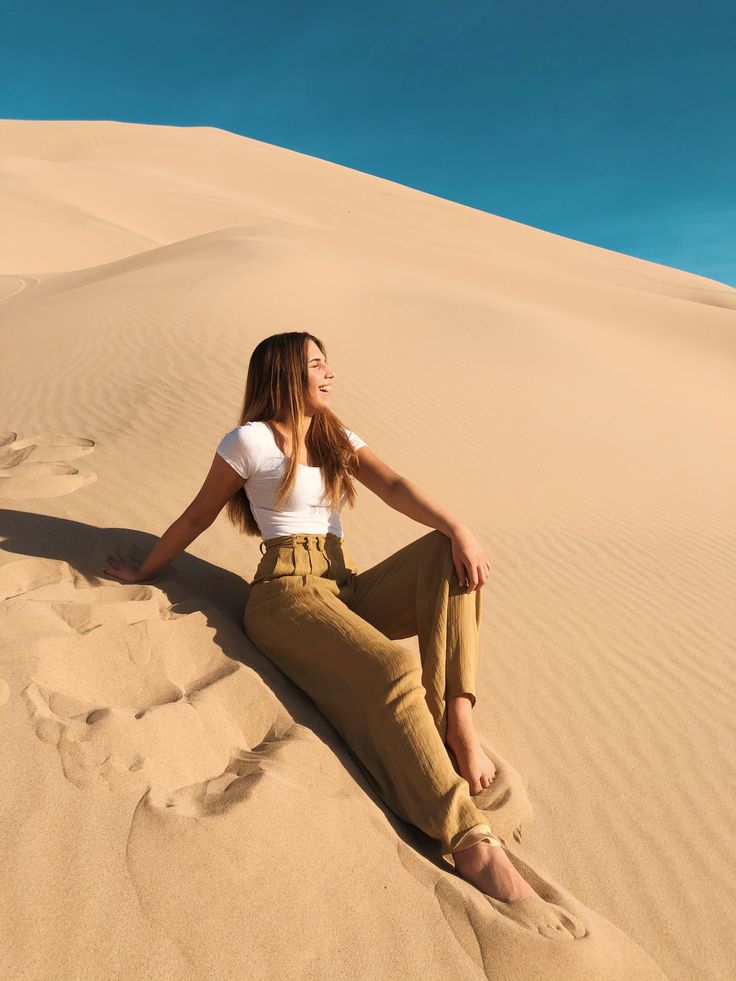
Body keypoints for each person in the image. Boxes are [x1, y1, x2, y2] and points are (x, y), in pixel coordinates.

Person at [104, 331, 584, 938]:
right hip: (287, 596)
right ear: (284, 374)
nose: (329, 373)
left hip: (343, 585)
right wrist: (147, 568)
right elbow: (198, 514)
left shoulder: (334, 435)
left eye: (327, 362)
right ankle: (470, 841)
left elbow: (396, 486)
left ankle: (458, 722)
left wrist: (459, 526)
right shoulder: (249, 441)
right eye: (315, 364)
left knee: (445, 554)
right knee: (391, 671)